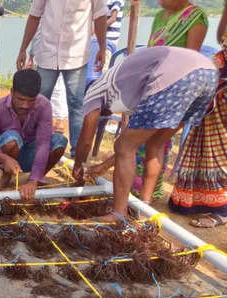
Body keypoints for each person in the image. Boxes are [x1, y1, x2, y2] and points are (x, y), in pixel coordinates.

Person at [71, 46, 217, 223]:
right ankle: (144, 209)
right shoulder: (127, 86)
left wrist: (78, 165)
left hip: (177, 76)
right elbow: (134, 141)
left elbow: (87, 139)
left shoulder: (95, 90)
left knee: (124, 145)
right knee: (155, 144)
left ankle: (117, 213)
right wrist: (104, 166)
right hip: (208, 74)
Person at [136, 0, 208, 200]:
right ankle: (136, 190)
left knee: (156, 143)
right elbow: (151, 50)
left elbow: (191, 58)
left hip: (176, 87)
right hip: (153, 85)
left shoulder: (195, 16)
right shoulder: (159, 16)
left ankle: (147, 197)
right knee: (142, 142)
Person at [17, 0, 108, 158]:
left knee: (77, 105)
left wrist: (102, 47)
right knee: (37, 102)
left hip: (76, 54)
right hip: (47, 52)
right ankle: (31, 149)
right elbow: (34, 15)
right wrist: (23, 48)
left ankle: (77, 156)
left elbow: (100, 16)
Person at [169, 4, 227, 228]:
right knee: (207, 138)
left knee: (221, 144)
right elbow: (222, 34)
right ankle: (205, 201)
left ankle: (221, 209)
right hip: (221, 71)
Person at [0, 69, 67, 200]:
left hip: (32, 151)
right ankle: (6, 177)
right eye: (21, 99)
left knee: (60, 141)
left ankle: (38, 177)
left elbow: (43, 144)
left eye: (31, 100)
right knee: (11, 138)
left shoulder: (44, 105)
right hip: (8, 151)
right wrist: (4, 158)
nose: (25, 105)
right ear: (12, 92)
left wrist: (33, 181)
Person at [105, 0, 125, 64]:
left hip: (109, 40)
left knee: (104, 66)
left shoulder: (116, 1)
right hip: (101, 39)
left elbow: (113, 19)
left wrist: (96, 30)